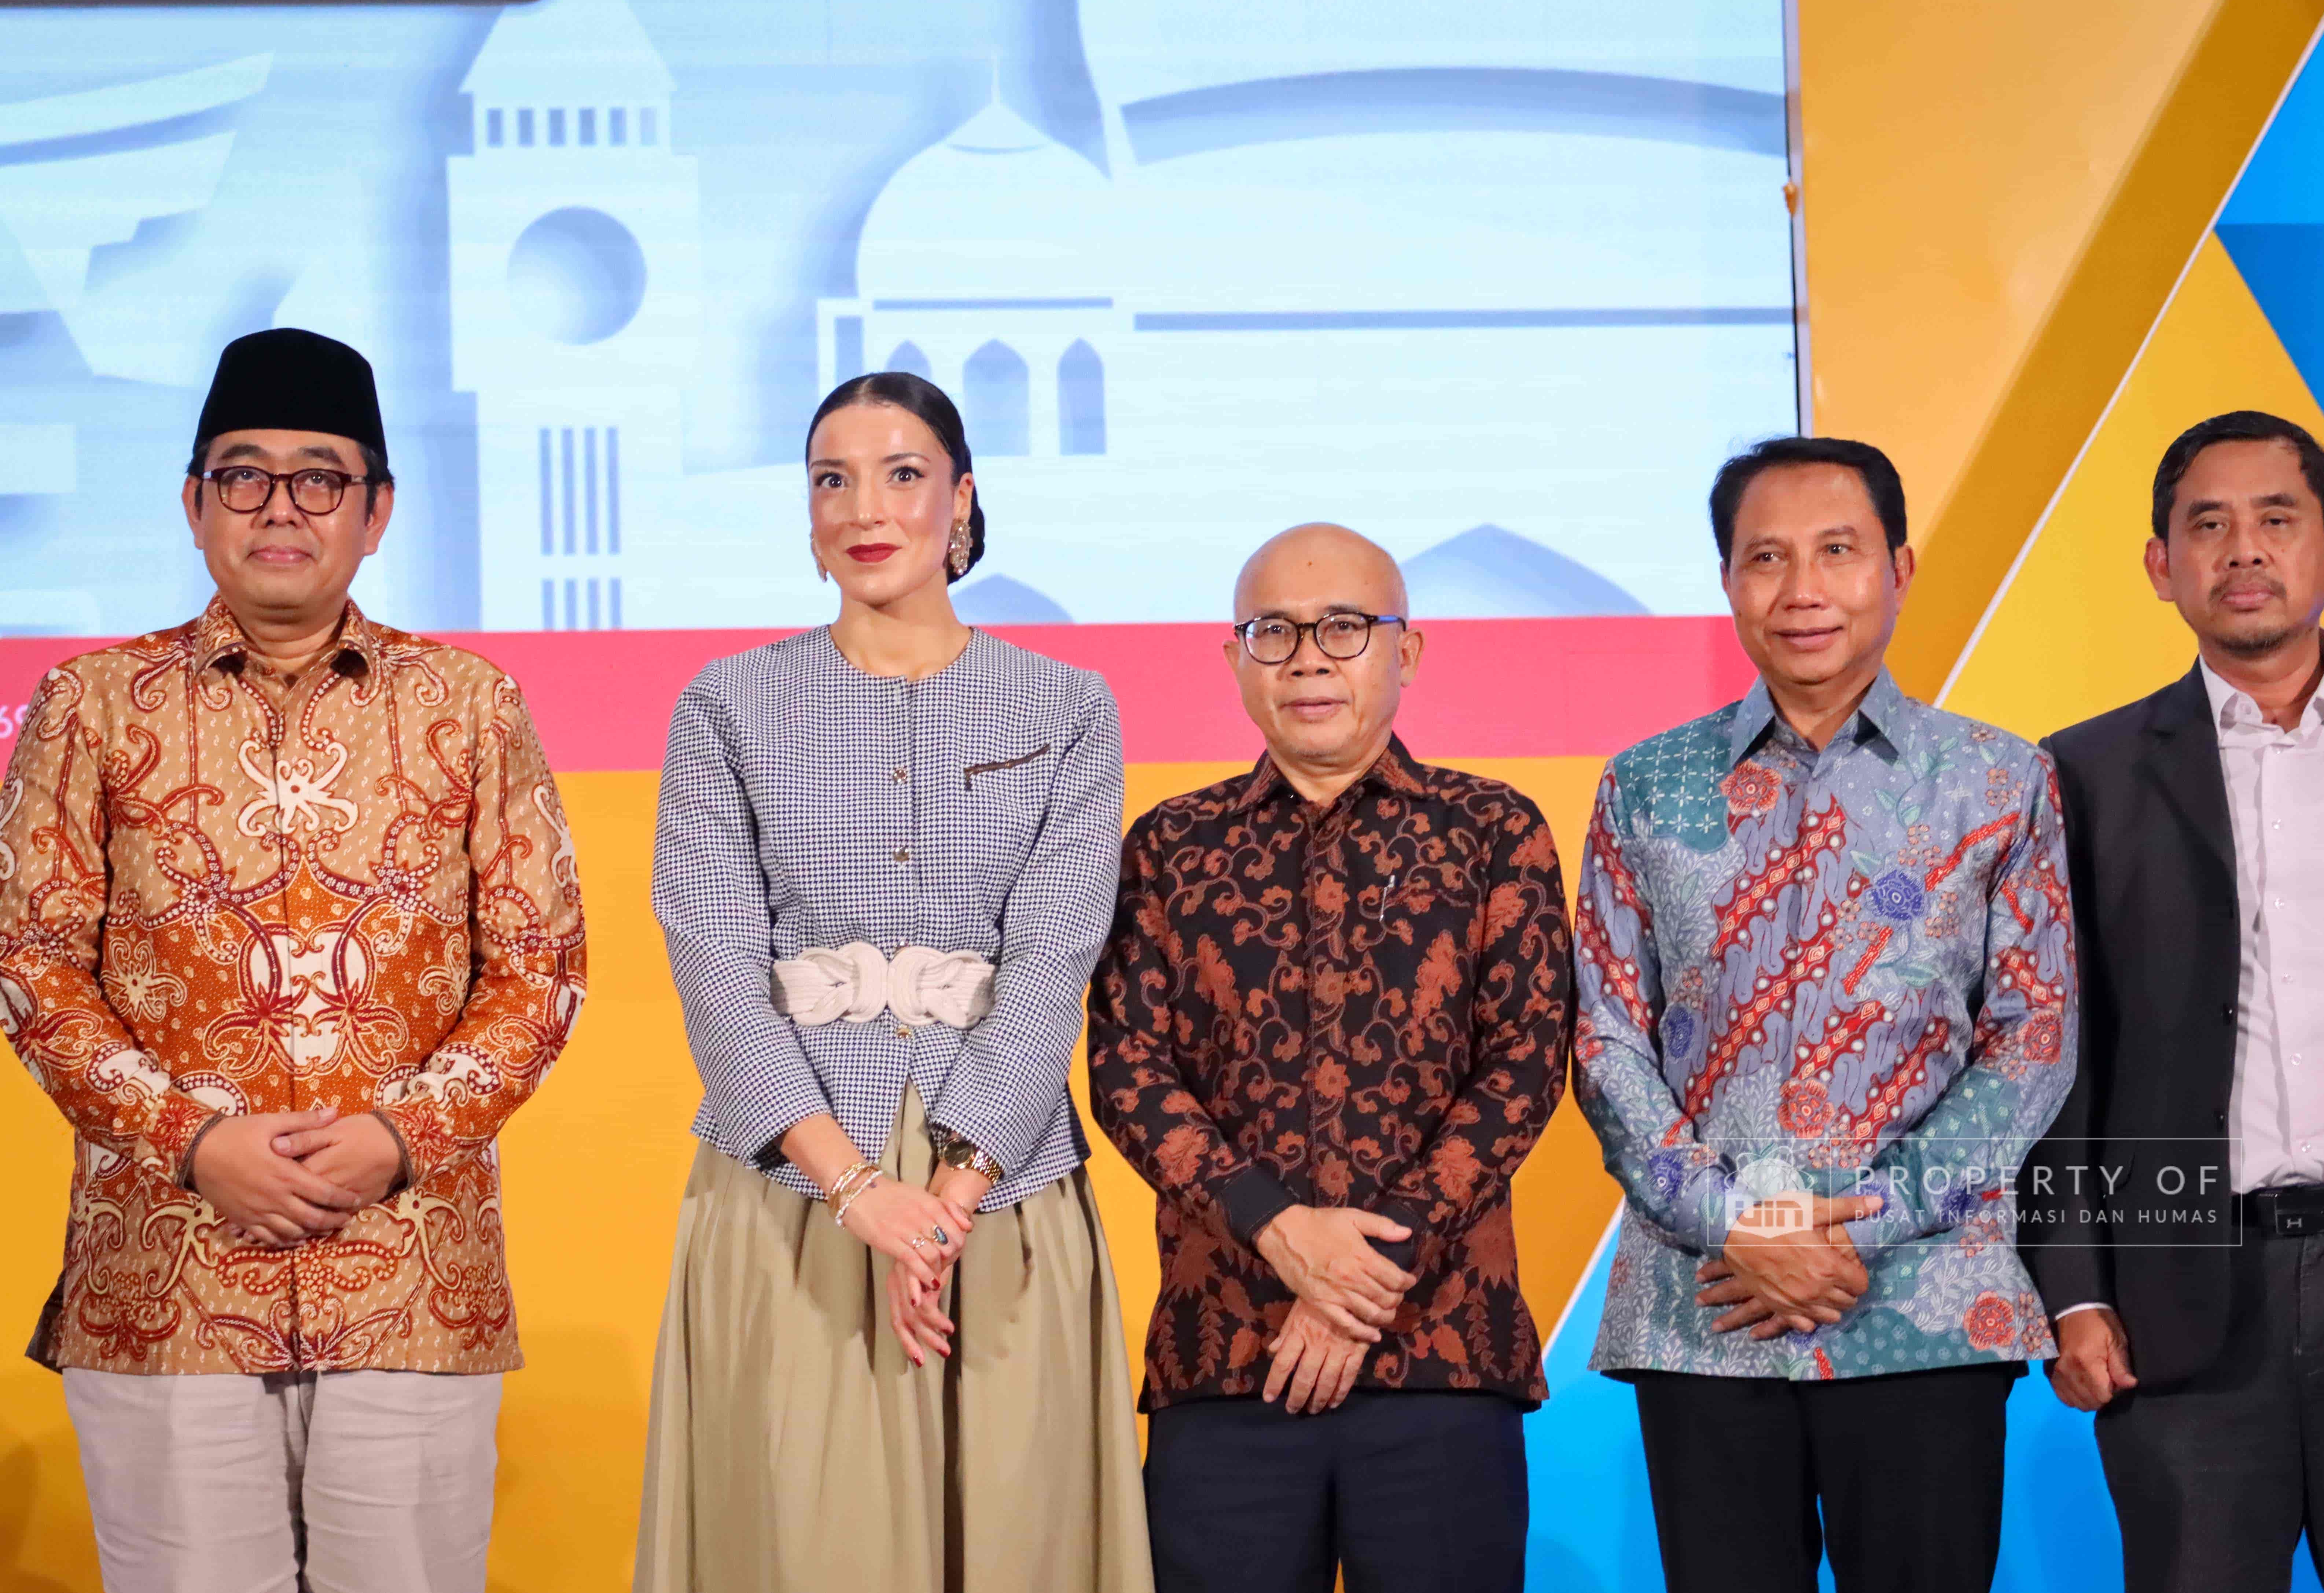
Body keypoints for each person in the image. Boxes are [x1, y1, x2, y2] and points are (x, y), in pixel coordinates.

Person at [0, 327, 588, 1590]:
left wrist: (400, 1134)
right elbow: (33, 966)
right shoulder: (89, 702)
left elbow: (539, 970)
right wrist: (192, 1141)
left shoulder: (469, 703)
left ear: (376, 512)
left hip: (412, 1271)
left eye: (320, 476)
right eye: (244, 473)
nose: (281, 506)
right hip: (164, 1272)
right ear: (193, 503)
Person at [634, 370, 1149, 1593]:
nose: (865, 507)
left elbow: (1053, 961)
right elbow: (715, 967)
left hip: (1004, 1189)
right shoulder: (726, 704)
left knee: (1017, 1540)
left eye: (902, 474)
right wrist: (859, 1191)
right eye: (833, 479)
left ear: (961, 500)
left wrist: (950, 1201)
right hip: (792, 1190)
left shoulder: (1069, 706)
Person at [1574, 436, 2076, 1593]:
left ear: (1897, 568)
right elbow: (1602, 1035)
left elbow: (2033, 1035)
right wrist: (1732, 1222)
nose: (1801, 589)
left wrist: (1862, 1225)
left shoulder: (1999, 780)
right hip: (1705, 1303)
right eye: (1766, 558)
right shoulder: (1645, 783)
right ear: (1727, 581)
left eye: (1836, 551)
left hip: (1924, 1303)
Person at [1088, 523, 1571, 1593]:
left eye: (1344, 628)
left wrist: (1359, 1277)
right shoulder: (1168, 847)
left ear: (1408, 650)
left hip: (1442, 1353)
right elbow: (1128, 1073)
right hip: (1228, 1359)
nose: (1308, 658)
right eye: (1275, 632)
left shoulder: (1493, 830)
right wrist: (1279, 1228)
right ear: (1234, 660)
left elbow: (1526, 1064)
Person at [2027, 410, 2324, 1592]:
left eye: (2275, 518)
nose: (2243, 550)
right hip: (2181, 1286)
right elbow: (2048, 1060)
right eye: (2206, 525)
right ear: (2159, 565)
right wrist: (2072, 1287)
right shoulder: (2076, 775)